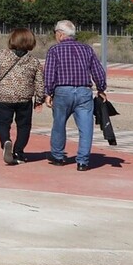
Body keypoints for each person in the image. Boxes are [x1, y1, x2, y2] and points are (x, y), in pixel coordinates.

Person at [44, 20, 107, 171]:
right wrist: (101, 88)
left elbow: (49, 73)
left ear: (60, 33)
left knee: (59, 124)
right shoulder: (87, 49)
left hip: (62, 91)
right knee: (86, 127)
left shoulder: (54, 50)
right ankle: (83, 161)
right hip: (84, 91)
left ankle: (58, 156)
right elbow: (98, 71)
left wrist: (48, 92)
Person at [0, 28, 45, 165]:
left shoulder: (0, 55)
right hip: (24, 98)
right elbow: (40, 82)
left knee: (2, 123)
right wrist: (39, 99)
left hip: (4, 97)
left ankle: (5, 141)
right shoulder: (33, 61)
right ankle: (19, 152)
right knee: (24, 126)